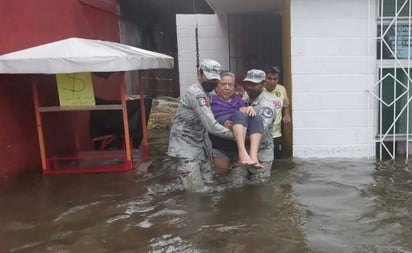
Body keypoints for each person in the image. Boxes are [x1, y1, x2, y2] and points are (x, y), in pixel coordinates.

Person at [167, 59, 234, 191]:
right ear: (200, 75)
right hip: (185, 147)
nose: (212, 83)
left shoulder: (206, 94)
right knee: (195, 190)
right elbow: (211, 125)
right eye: (209, 79)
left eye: (215, 80)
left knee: (208, 183)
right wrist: (237, 135)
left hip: (201, 146)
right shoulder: (196, 93)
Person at [208, 72, 263, 172]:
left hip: (235, 141)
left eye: (230, 85)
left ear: (234, 88)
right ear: (216, 87)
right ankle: (243, 153)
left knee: (256, 117)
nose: (227, 88)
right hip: (220, 143)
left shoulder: (239, 101)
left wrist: (249, 108)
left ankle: (253, 156)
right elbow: (208, 121)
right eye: (223, 84)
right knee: (221, 177)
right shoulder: (210, 100)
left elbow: (245, 115)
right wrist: (224, 124)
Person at [231, 69, 276, 184]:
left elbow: (261, 132)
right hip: (242, 154)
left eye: (254, 84)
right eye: (248, 84)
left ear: (263, 85)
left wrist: (236, 134)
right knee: (237, 187)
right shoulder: (242, 102)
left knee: (259, 189)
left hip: (261, 156)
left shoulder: (266, 107)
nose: (250, 87)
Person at [263, 67, 291, 159]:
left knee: (277, 160)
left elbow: (286, 104)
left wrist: (287, 115)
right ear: (264, 79)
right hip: (261, 133)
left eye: (275, 79)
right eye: (269, 78)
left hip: (276, 133)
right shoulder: (258, 90)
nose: (272, 82)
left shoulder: (282, 89)